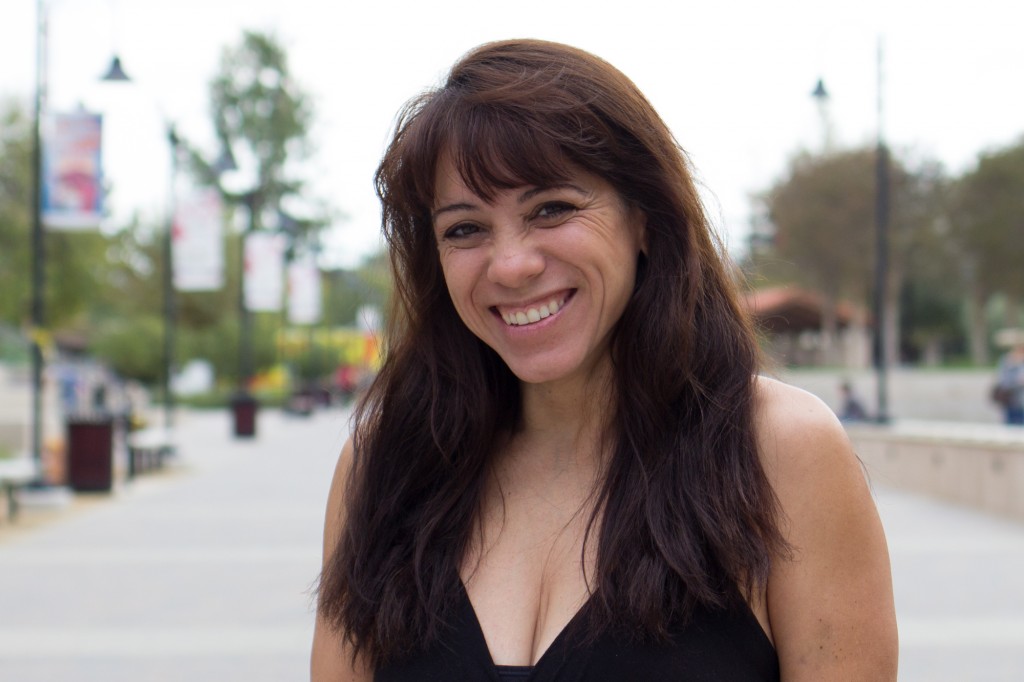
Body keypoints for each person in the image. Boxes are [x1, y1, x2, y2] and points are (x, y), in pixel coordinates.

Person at [312, 40, 897, 681]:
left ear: (644, 218)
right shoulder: (384, 463)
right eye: (464, 228)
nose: (511, 265)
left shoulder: (780, 452)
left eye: (552, 209)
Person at [994, 341, 1024, 425]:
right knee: (1010, 422)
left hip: (1020, 399)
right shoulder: (1007, 361)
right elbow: (1003, 380)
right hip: (1010, 398)